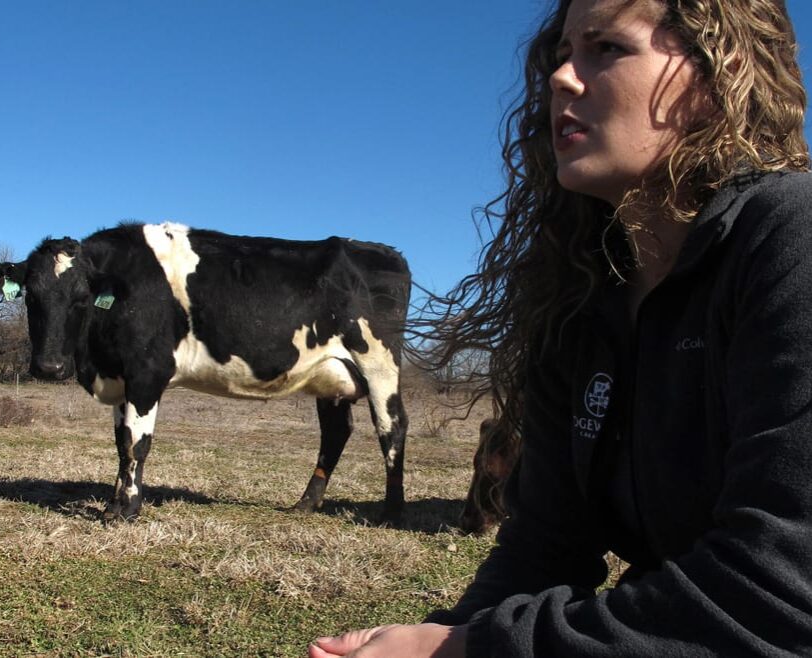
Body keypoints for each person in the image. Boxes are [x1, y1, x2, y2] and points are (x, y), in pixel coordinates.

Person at [309, 0, 812, 655]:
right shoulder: (577, 298)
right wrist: (447, 634)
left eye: (606, 49)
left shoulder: (787, 242)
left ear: (722, 72)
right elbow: (546, 546)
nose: (560, 78)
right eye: (559, 55)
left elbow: (780, 595)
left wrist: (464, 652)